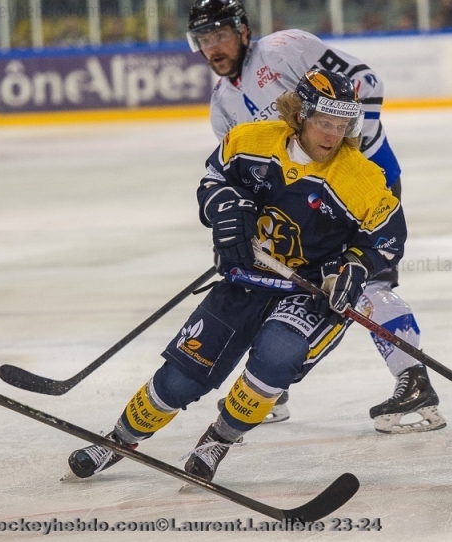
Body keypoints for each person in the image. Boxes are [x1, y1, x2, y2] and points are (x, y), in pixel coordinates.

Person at [67, 69, 408, 481]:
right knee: (179, 380)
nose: (333, 135)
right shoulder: (249, 142)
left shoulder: (361, 178)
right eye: (324, 122)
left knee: (276, 358)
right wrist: (224, 205)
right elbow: (213, 181)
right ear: (300, 114)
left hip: (310, 293)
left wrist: (356, 264)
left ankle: (219, 440)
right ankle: (118, 440)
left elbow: (387, 237)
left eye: (342, 126)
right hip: (246, 278)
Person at [185, 0, 446, 434]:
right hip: (301, 209)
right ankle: (272, 391)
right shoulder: (222, 106)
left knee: (365, 280)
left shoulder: (284, 48)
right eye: (204, 39)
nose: (213, 47)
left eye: (220, 35)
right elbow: (247, 175)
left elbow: (365, 79)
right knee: (279, 284)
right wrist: (238, 222)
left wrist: (352, 158)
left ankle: (413, 379)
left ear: (243, 30)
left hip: (359, 188)